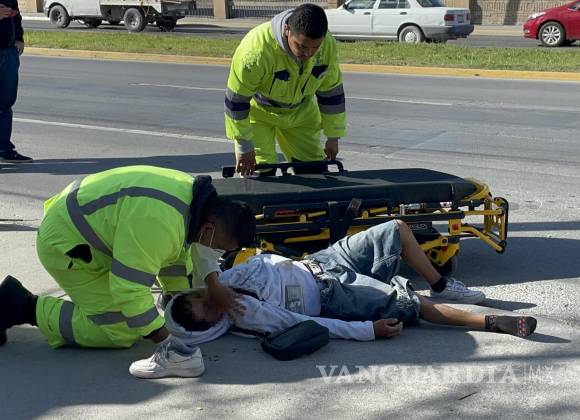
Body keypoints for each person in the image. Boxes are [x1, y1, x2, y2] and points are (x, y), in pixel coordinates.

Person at [129, 220, 536, 379]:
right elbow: (312, 324)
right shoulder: (248, 316)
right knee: (409, 303)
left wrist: (213, 283)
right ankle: (490, 323)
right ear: (211, 323)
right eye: (208, 308)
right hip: (334, 295)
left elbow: (207, 252)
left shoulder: (222, 281)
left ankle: (442, 284)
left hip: (324, 261)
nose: (212, 299)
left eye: (202, 295)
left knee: (395, 229)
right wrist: (368, 331)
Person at [0, 165, 256, 352]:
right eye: (219, 247)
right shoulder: (159, 224)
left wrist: (176, 296)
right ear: (209, 229)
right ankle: (21, 306)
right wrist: (167, 342)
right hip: (66, 247)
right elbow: (128, 290)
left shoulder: (190, 199)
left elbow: (174, 256)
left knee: (168, 265)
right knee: (120, 329)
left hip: (82, 226)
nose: (216, 252)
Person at [224, 3, 346, 176]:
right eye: (302, 46)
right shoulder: (255, 51)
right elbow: (236, 101)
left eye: (315, 47)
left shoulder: (327, 45)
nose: (308, 53)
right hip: (259, 114)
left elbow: (332, 94)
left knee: (314, 171)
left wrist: (333, 136)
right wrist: (244, 145)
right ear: (287, 30)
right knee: (262, 173)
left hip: (301, 113)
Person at [0, 0, 32, 163]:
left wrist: (19, 38)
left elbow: (15, 13)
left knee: (5, 104)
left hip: (8, 51)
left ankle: (4, 149)